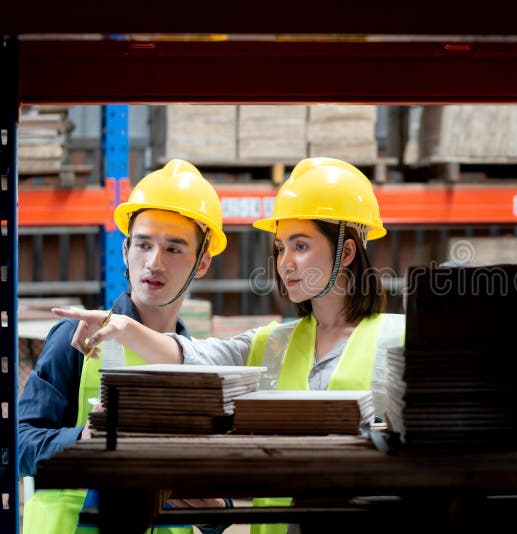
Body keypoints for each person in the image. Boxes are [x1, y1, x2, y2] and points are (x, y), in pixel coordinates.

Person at [54, 157, 406, 534]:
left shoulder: (400, 340)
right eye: (280, 248)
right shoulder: (271, 344)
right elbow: (191, 358)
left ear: (347, 253)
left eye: (300, 246)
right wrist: (121, 326)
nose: (285, 262)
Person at [20, 159, 227, 534]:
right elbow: (18, 444)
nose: (154, 263)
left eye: (174, 249)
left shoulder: (195, 366)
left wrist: (216, 512)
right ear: (125, 251)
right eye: (144, 245)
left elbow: (215, 477)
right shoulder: (76, 338)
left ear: (202, 263)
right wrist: (84, 439)